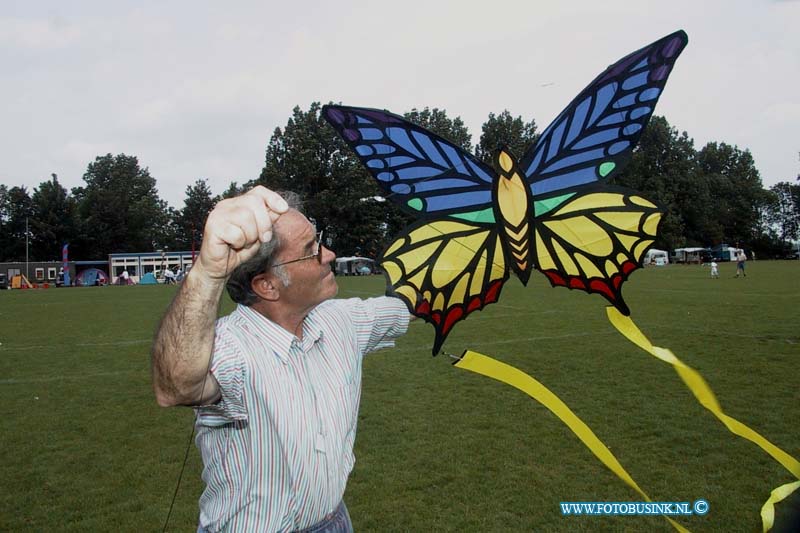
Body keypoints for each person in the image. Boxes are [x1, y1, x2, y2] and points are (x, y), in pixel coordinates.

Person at [151, 186, 411, 532]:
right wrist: (209, 271)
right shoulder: (233, 348)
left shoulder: (340, 319)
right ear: (268, 286)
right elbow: (176, 386)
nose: (330, 254)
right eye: (311, 251)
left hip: (333, 522)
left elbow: (406, 304)